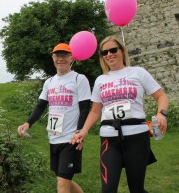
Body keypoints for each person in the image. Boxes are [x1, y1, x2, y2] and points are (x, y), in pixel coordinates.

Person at [70, 35, 169, 193]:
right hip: (109, 139)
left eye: (113, 50)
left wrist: (161, 113)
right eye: (105, 52)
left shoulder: (138, 72)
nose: (109, 54)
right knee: (108, 189)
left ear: (122, 51)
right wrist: (84, 130)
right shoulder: (101, 80)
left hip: (137, 137)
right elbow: (95, 110)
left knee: (136, 189)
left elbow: (161, 96)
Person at [17, 43, 91, 193]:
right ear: (53, 57)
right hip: (54, 137)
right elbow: (41, 106)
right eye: (57, 55)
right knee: (64, 180)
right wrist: (28, 123)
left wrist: (79, 131)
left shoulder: (79, 79)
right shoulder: (49, 82)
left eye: (64, 55)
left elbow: (85, 108)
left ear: (71, 57)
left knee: (62, 184)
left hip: (71, 138)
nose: (61, 59)